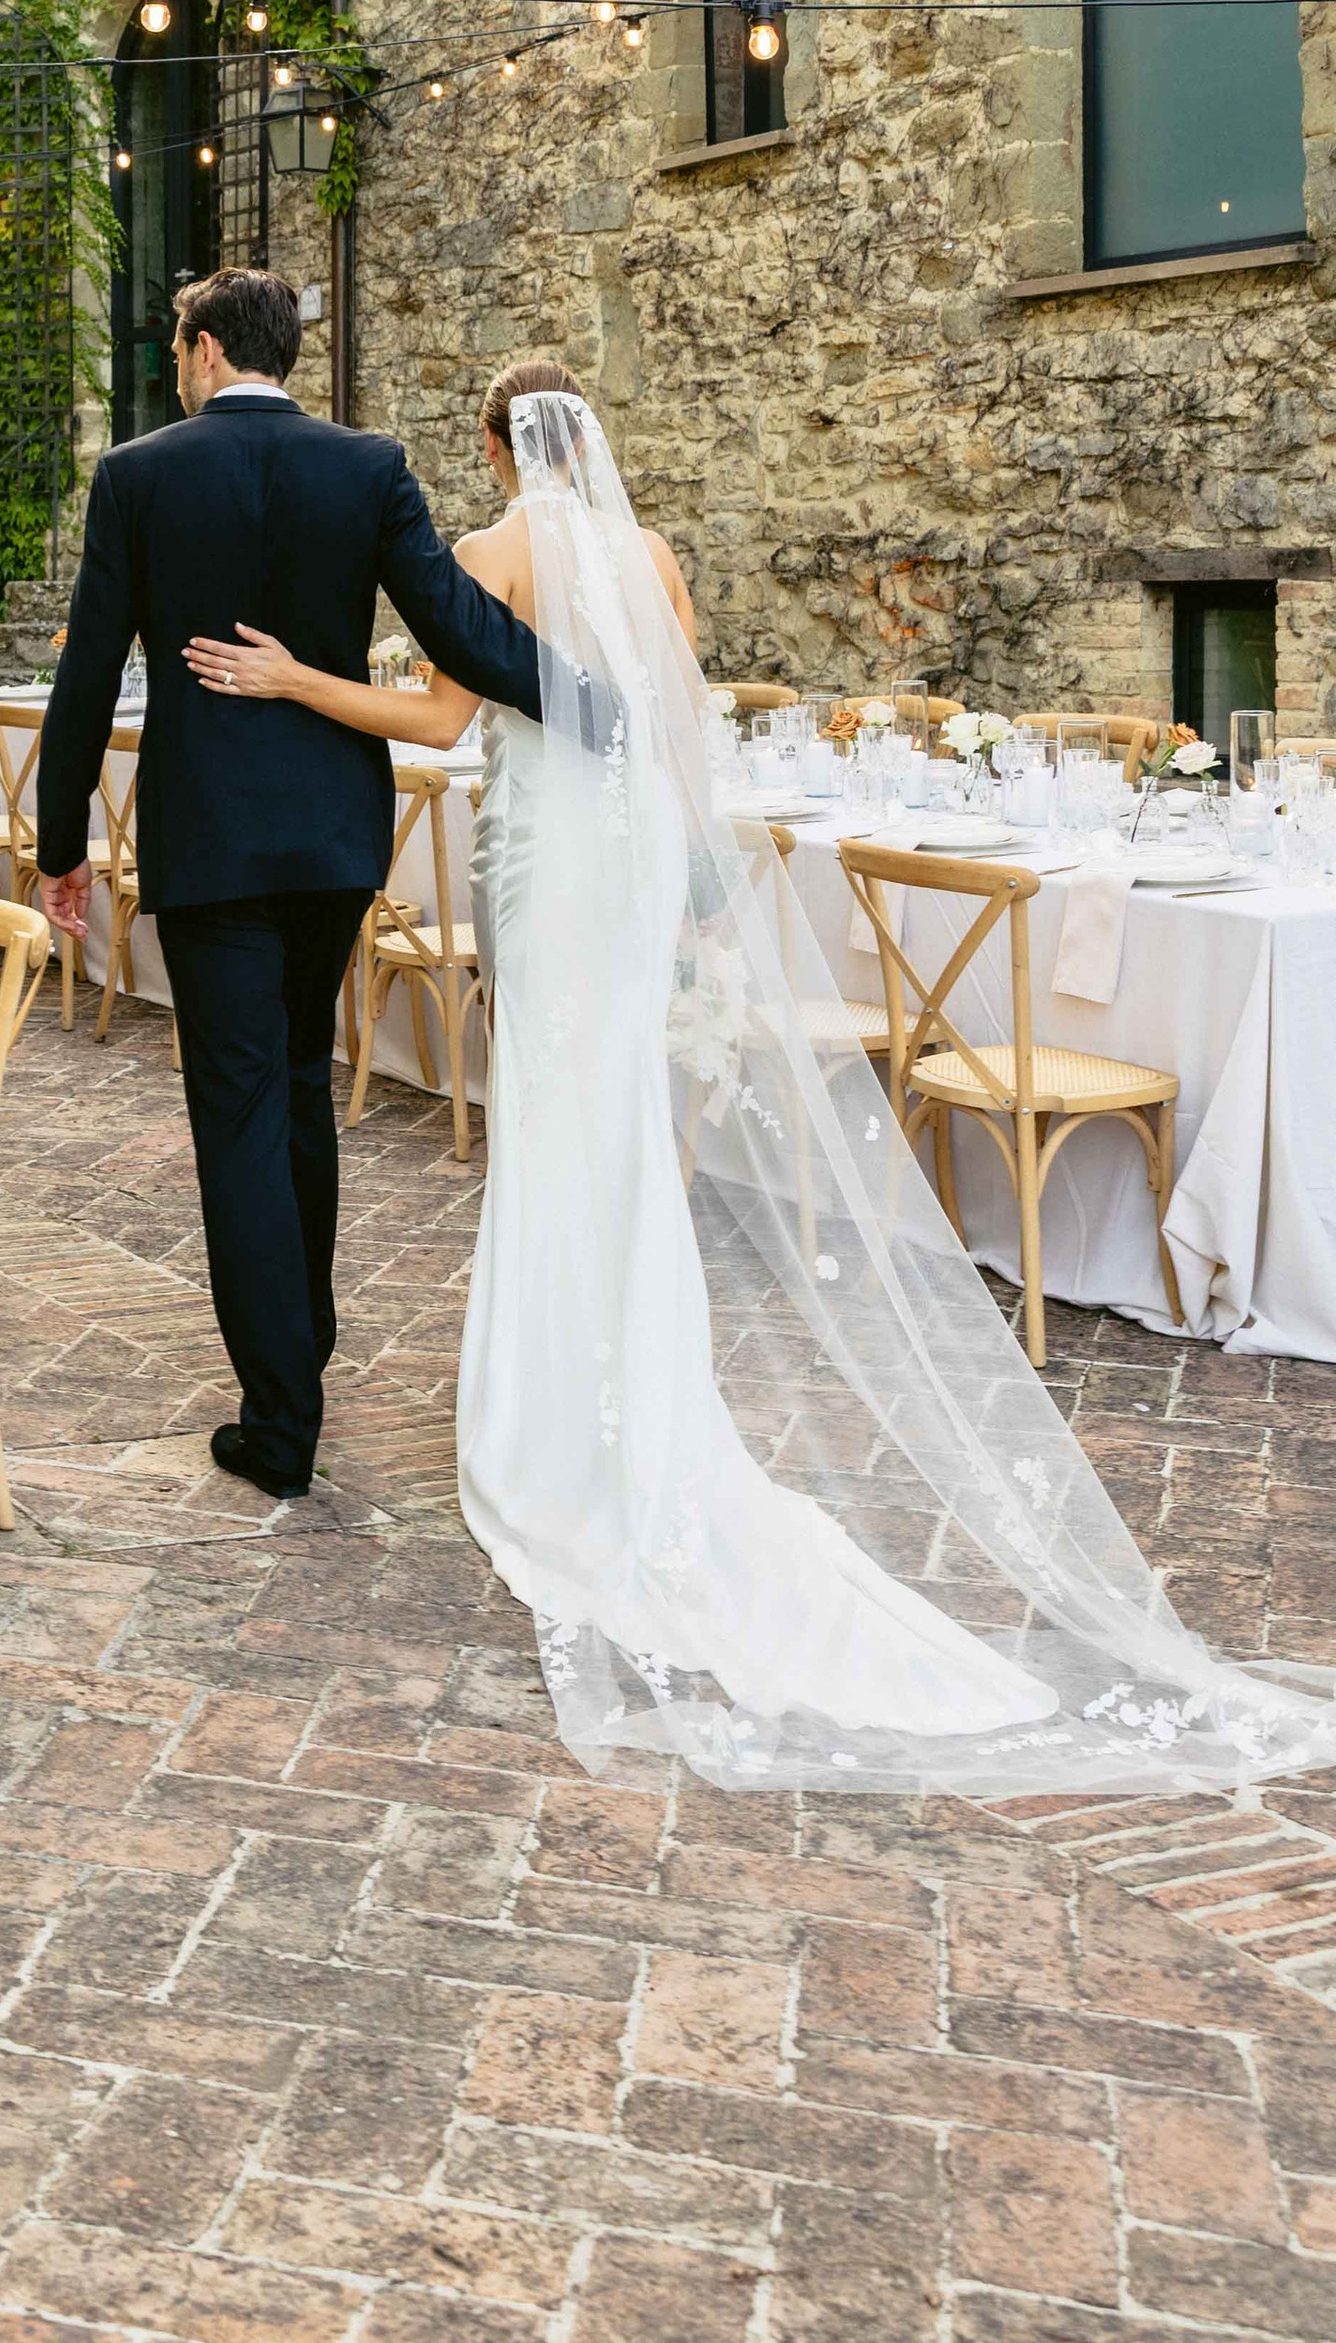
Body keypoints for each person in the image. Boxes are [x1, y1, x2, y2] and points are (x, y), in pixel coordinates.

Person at [184, 350, 1336, 1793]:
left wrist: (293, 679)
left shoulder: (488, 548)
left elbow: (438, 723)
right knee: (609, 1112)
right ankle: (636, 1379)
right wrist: (705, 889)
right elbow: (675, 730)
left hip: (549, 856)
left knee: (556, 1111)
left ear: (494, 449)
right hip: (644, 846)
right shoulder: (650, 550)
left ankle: (559, 1408)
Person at [34, 268, 549, 1504]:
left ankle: (281, 1418)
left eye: (173, 346)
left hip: (210, 842)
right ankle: (300, 1339)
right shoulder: (364, 467)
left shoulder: (139, 475)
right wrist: (604, 704)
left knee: (238, 1110)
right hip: (332, 838)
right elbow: (459, 631)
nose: (171, 365)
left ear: (205, 350)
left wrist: (59, 846)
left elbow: (89, 674)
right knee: (301, 1086)